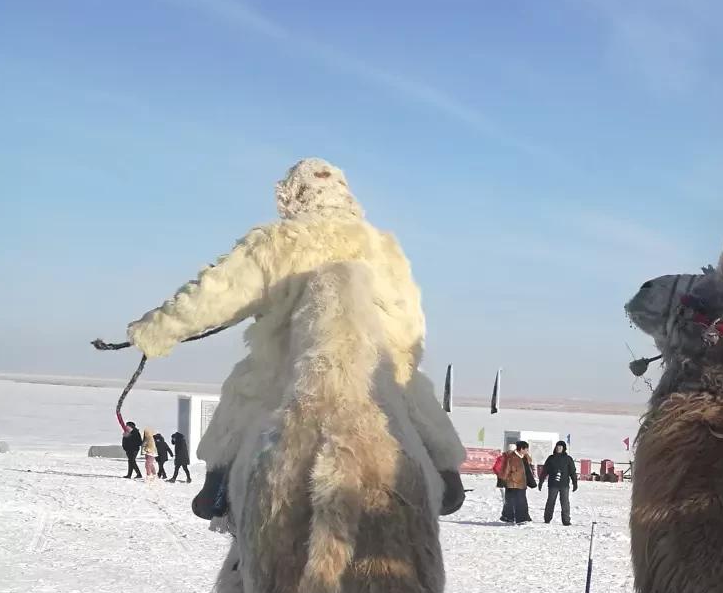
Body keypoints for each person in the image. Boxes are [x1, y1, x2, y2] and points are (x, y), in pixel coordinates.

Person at [99, 159, 467, 523]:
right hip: (378, 368)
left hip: (292, 373)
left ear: (292, 196)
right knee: (411, 388)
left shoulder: (278, 242)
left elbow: (216, 294)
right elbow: (410, 320)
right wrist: (404, 358)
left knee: (246, 389)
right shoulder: (383, 247)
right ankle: (447, 473)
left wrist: (156, 329)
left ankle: (218, 485)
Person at [538, 440, 579, 525]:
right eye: (557, 446)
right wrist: (541, 481)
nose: (558, 448)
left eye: (560, 447)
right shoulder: (551, 458)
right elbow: (545, 471)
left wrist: (575, 483)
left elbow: (572, 472)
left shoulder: (568, 459)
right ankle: (547, 519)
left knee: (565, 503)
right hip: (553, 484)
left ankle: (566, 520)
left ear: (564, 448)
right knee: (550, 502)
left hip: (564, 485)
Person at [497, 441, 538, 524]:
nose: (527, 451)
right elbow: (505, 470)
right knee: (514, 502)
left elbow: (527, 471)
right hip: (512, 483)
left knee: (519, 501)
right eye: (526, 449)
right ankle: (520, 519)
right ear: (521, 449)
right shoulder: (511, 457)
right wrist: (501, 482)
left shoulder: (524, 457)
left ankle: (509, 517)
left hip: (521, 483)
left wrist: (532, 483)